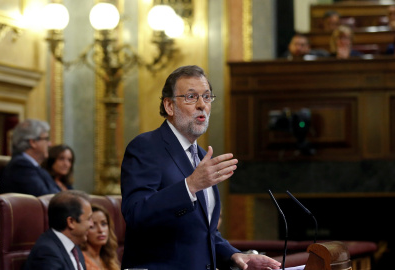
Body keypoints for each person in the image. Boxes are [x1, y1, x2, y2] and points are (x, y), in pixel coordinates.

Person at [120, 65, 281, 270]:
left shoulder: (202, 157)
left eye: (206, 97)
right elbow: (136, 214)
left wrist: (234, 255)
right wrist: (189, 186)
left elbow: (203, 232)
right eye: (190, 97)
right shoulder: (146, 147)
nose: (201, 105)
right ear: (169, 105)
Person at [24, 190, 93, 270]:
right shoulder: (47, 252)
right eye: (89, 219)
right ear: (71, 222)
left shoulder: (74, 248)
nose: (92, 224)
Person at [0, 119, 61, 196]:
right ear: (33, 142)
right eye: (46, 139)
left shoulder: (34, 166)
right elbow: (45, 198)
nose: (49, 144)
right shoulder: (21, 166)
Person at [80, 205, 120, 270]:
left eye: (103, 224)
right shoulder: (79, 259)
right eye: (92, 226)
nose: (100, 230)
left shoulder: (108, 257)